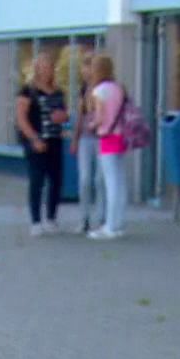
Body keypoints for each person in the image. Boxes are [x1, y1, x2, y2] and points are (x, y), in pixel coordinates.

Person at [15, 50, 69, 237]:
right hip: (36, 139)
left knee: (56, 179)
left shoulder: (58, 91)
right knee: (37, 179)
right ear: (37, 70)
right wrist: (34, 139)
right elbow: (21, 118)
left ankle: (51, 218)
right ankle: (36, 221)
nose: (47, 71)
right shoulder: (27, 91)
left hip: (55, 138)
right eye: (44, 68)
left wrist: (63, 117)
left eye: (50, 68)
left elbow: (64, 113)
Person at [86, 53, 129, 240]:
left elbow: (100, 117)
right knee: (120, 181)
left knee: (110, 182)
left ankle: (110, 226)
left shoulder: (99, 90)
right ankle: (118, 223)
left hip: (106, 137)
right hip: (121, 136)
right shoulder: (119, 88)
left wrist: (91, 125)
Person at [74, 48, 103, 234]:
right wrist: (75, 139)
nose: (86, 70)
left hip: (101, 138)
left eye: (90, 66)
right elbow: (80, 116)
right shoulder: (83, 89)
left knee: (100, 179)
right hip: (85, 138)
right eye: (85, 66)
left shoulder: (104, 88)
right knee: (84, 178)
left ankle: (101, 218)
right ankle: (83, 218)